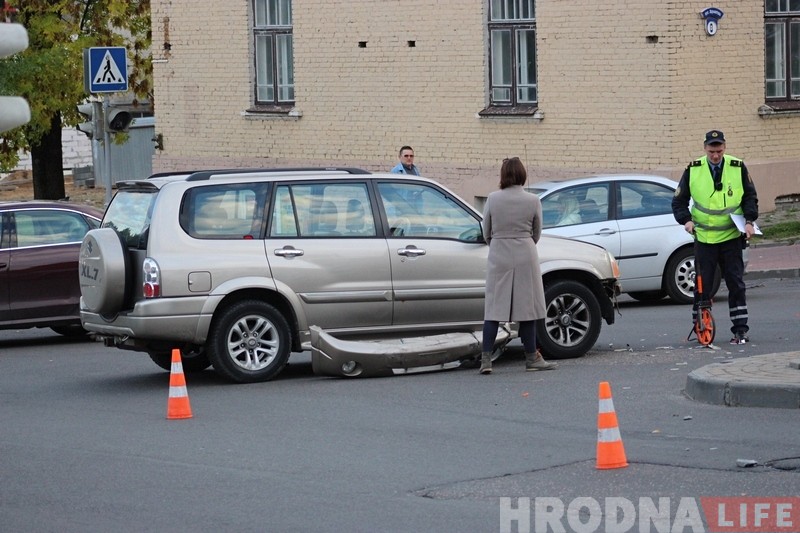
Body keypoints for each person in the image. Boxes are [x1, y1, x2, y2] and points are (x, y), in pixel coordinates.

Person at [671, 130, 759, 345]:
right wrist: (687, 221)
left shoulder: (737, 167)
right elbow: (678, 202)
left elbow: (750, 197)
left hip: (730, 236)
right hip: (704, 238)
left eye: (719, 151)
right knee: (702, 286)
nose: (716, 156)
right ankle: (701, 326)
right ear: (705, 149)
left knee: (735, 283)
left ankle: (740, 330)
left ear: (725, 148)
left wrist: (749, 221)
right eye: (712, 151)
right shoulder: (693, 170)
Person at [479, 157, 557, 374]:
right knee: (527, 308)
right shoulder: (533, 200)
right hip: (525, 252)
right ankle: (532, 357)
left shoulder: (493, 199)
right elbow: (537, 232)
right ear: (522, 174)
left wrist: (497, 243)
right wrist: (524, 242)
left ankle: (486, 360)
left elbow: (486, 231)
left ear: (503, 175)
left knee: (494, 309)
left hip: (499, 253)